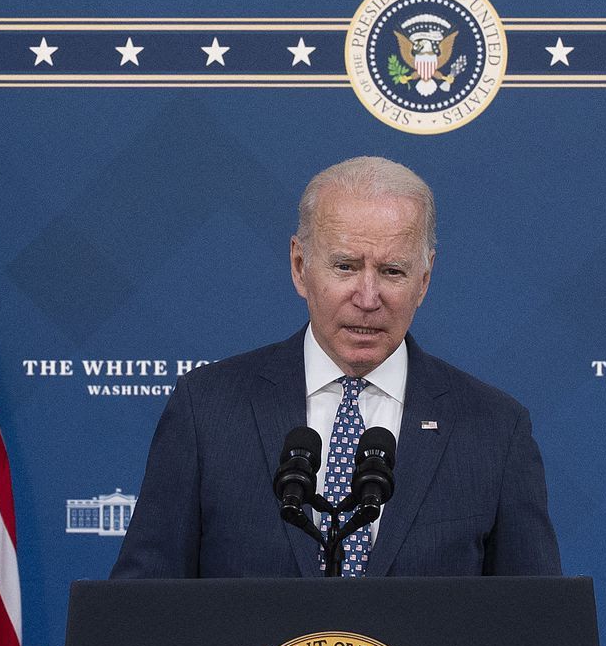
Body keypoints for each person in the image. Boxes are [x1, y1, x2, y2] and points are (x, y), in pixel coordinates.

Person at [112, 155, 561, 578]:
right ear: (300, 265)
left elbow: (535, 629)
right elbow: (140, 614)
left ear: (424, 281)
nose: (368, 298)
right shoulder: (207, 410)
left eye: (393, 272)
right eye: (345, 267)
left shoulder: (495, 430)